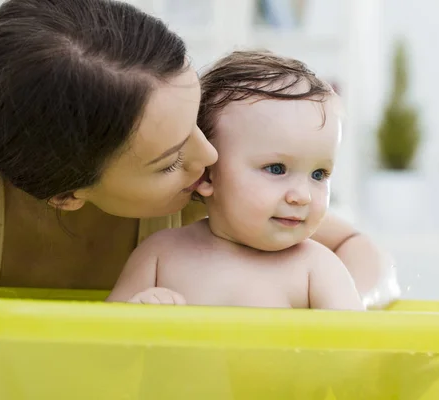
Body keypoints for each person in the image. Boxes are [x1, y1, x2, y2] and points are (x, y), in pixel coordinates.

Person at [0, 0, 397, 398]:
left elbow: (359, 249)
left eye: (196, 120)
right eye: (169, 159)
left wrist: (333, 322)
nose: (209, 155)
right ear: (66, 194)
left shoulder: (213, 194)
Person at [107, 50, 365, 311]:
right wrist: (137, 312)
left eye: (319, 174)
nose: (303, 195)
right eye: (276, 169)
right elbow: (102, 339)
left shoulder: (317, 268)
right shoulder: (159, 255)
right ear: (206, 175)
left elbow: (355, 346)